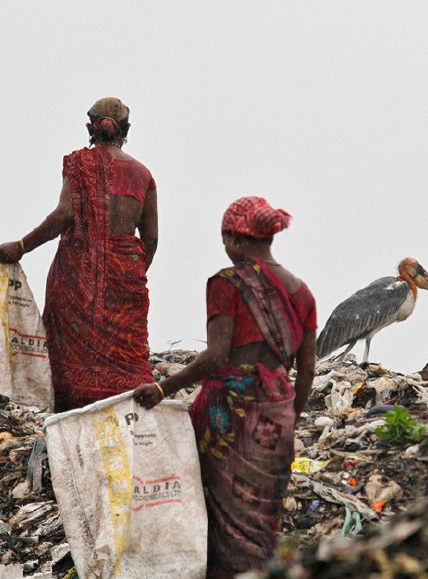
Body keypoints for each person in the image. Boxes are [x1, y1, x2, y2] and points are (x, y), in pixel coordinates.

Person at [133, 196, 317, 578]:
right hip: (278, 410)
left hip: (229, 414)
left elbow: (215, 356)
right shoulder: (303, 293)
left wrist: (163, 389)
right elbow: (308, 369)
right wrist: (289, 416)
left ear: (235, 239)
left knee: (219, 514)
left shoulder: (226, 283)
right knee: (264, 519)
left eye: (224, 239)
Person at [0, 97, 158, 411]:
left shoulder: (79, 164)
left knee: (68, 361)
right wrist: (129, 275)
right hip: (126, 280)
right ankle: (130, 413)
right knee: (129, 365)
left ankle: (70, 421)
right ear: (127, 129)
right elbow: (150, 239)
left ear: (90, 127)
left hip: (75, 277)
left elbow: (64, 214)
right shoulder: (143, 174)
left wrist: (21, 246)